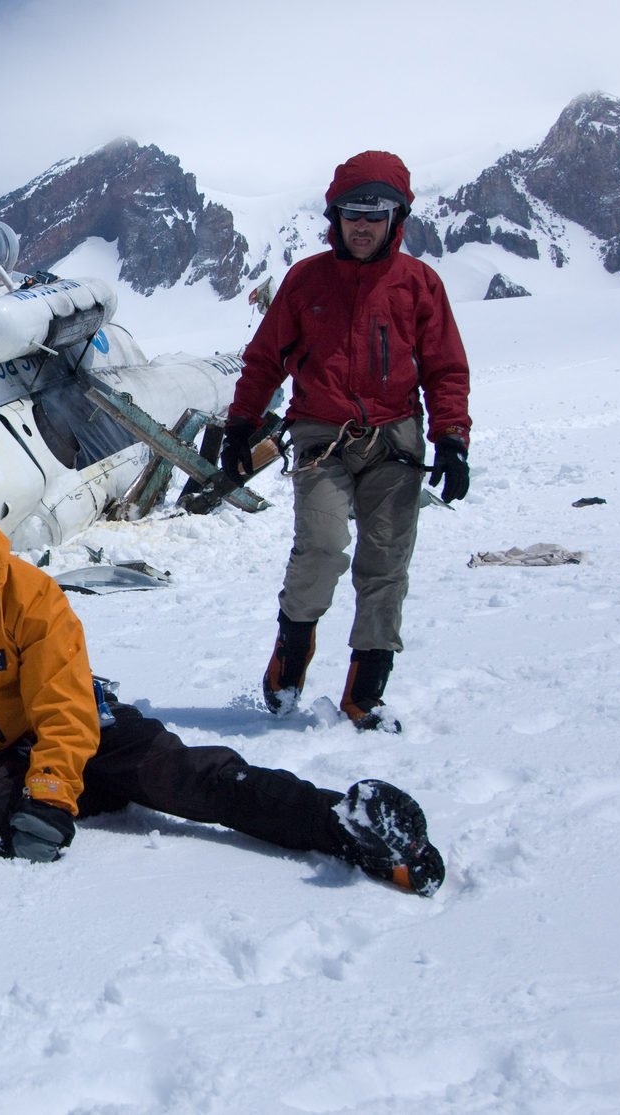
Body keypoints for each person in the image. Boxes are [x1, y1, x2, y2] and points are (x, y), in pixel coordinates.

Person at [0, 483, 444, 895]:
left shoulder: (30, 597)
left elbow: (62, 702)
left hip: (81, 724)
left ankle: (336, 821)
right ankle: (73, 787)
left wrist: (50, 798)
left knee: (182, 779)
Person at [220, 151, 471, 732]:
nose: (362, 225)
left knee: (385, 564)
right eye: (351, 213)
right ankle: (289, 661)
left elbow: (445, 368)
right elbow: (264, 360)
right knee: (323, 547)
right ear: (335, 216)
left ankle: (365, 694)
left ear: (396, 219)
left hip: (395, 439)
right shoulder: (307, 280)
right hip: (321, 436)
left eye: (375, 215)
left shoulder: (418, 285)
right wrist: (240, 423)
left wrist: (451, 438)